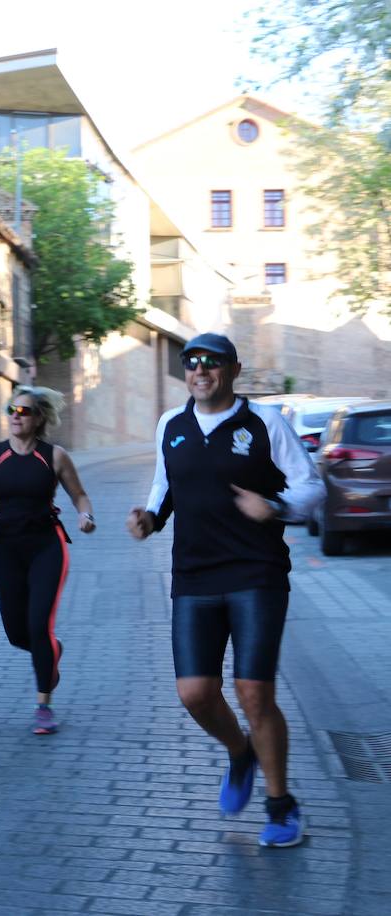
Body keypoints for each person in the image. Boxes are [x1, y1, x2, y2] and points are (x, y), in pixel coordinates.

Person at [127, 333, 324, 848]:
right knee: (194, 693)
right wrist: (148, 519)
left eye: (212, 363)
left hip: (256, 573)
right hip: (193, 576)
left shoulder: (264, 423)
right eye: (191, 363)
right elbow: (162, 488)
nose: (200, 371)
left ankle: (281, 806)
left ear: (233, 370)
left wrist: (275, 507)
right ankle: (240, 752)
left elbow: (311, 486)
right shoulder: (171, 425)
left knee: (254, 692)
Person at [0, 385, 95, 735]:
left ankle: (43, 704)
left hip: (46, 547)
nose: (15, 416)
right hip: (5, 548)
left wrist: (85, 516)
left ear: (38, 418)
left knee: (39, 626)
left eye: (23, 412)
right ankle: (51, 651)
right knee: (17, 633)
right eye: (11, 409)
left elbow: (80, 494)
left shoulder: (54, 456)